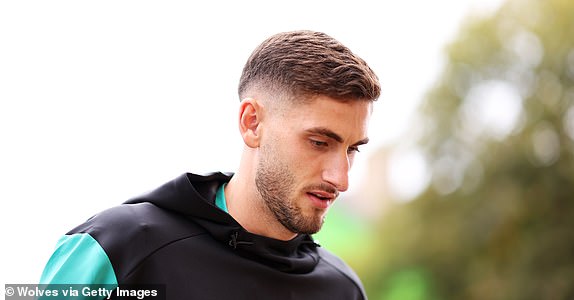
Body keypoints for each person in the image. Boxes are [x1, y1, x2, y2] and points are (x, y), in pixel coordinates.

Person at [39, 30, 380, 299]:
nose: (341, 178)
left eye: (352, 150)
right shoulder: (114, 248)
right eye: (319, 142)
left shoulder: (343, 289)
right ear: (252, 123)